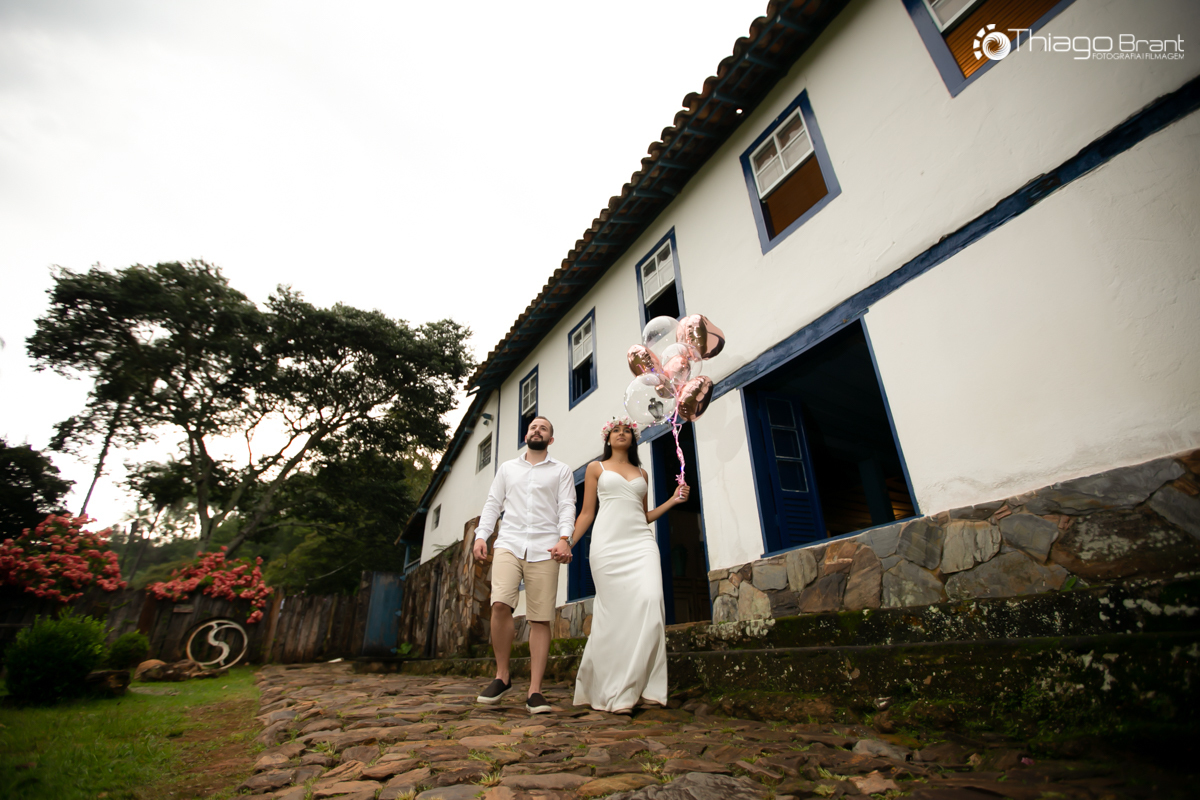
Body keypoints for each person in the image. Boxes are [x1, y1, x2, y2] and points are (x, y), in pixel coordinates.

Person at [563, 417, 690, 714]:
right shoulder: (596, 468)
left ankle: (641, 685)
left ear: (634, 438)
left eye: (626, 430)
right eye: (615, 430)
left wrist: (672, 500)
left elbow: (642, 515)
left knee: (651, 600)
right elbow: (587, 513)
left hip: (641, 544)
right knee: (612, 617)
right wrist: (567, 542)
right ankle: (617, 691)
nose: (621, 433)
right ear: (607, 438)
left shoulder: (642, 473)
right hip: (607, 546)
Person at [472, 416, 576, 714]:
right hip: (509, 543)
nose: (536, 430)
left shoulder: (561, 471)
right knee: (499, 604)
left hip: (545, 548)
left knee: (540, 618)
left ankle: (535, 691)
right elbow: (493, 503)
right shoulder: (507, 468)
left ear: (550, 439)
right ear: (526, 435)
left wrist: (565, 539)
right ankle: (502, 676)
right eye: (533, 427)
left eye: (543, 428)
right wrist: (481, 535)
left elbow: (567, 506)